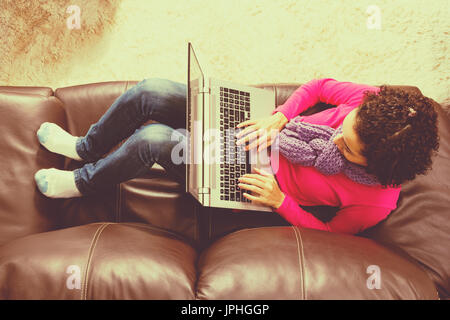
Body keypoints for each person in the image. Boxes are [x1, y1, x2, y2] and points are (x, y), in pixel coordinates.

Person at [34, 77, 439, 234]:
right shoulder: (367, 104)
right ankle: (85, 147)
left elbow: (332, 234)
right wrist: (280, 117)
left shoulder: (376, 200)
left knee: (154, 140)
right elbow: (318, 87)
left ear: (380, 165)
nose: (336, 139)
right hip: (259, 126)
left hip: (248, 181)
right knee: (150, 91)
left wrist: (282, 203)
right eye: (344, 127)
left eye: (349, 149)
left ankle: (81, 184)